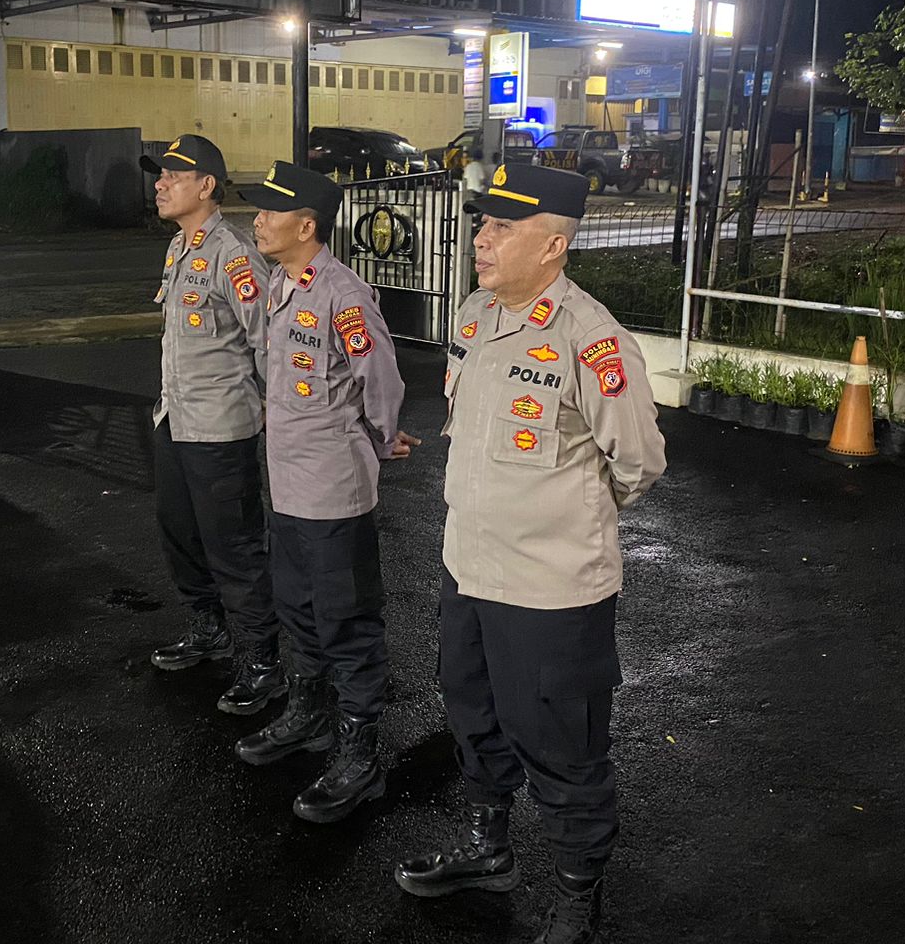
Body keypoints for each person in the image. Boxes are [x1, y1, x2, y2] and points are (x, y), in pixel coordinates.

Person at [393, 163, 667, 944]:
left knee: (562, 747)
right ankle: (489, 850)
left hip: (552, 589)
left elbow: (639, 462)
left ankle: (578, 894)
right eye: (483, 223)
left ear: (553, 246)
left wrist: (565, 518)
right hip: (469, 568)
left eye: (502, 227)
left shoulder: (591, 339)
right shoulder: (476, 314)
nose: (482, 238)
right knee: (473, 715)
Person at [234, 160, 418, 823]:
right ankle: (309, 715)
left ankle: (360, 752)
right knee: (297, 605)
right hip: (286, 483)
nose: (258, 220)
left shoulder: (343, 293)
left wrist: (381, 438)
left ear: (306, 225)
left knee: (347, 618)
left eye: (269, 211)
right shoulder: (282, 284)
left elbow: (381, 380)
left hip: (333, 489)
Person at [140, 134, 285, 718]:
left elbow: (269, 341)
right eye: (160, 175)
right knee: (180, 533)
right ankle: (208, 629)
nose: (160, 184)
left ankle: (262, 662)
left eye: (173, 176)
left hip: (221, 429)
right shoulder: (180, 247)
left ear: (206, 186)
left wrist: (275, 413)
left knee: (236, 548)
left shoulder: (234, 254)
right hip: (176, 417)